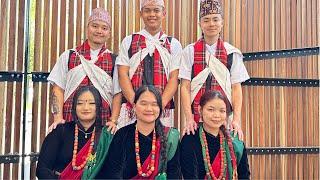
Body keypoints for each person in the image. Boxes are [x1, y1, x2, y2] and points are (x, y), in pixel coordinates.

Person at [179, 0, 250, 139]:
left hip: (223, 118)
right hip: (196, 119)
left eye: (215, 19)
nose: (211, 24)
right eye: (206, 20)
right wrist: (188, 118)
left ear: (222, 23)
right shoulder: (189, 51)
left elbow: (236, 88)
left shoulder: (231, 53)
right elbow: (185, 87)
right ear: (200, 24)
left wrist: (236, 120)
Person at [47, 7, 121, 133]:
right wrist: (58, 118)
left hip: (102, 124)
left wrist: (113, 120)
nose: (99, 31)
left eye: (104, 28)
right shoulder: (69, 56)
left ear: (109, 33)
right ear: (87, 28)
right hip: (70, 121)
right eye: (95, 26)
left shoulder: (114, 60)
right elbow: (58, 88)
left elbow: (117, 94)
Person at [116, 0, 182, 128]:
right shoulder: (129, 41)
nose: (152, 14)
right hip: (132, 109)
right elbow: (122, 74)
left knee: (161, 145)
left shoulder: (173, 44)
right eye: (147, 10)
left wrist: (159, 105)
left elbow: (174, 78)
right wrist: (136, 104)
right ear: (141, 14)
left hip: (162, 110)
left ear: (163, 13)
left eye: (156, 10)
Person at [96, 85, 181, 179]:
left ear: (160, 108)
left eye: (154, 104)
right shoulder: (122, 135)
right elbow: (112, 173)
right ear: (134, 106)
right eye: (144, 103)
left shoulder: (170, 137)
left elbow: (174, 175)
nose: (149, 109)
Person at [36, 86, 113, 179]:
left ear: (99, 107)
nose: (85, 107)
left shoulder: (106, 136)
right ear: (74, 107)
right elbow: (42, 169)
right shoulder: (60, 131)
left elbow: (114, 172)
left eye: (92, 103)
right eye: (80, 103)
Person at [180, 90, 250, 179]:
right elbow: (189, 176)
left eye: (222, 111)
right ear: (200, 110)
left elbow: (244, 175)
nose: (217, 115)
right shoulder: (190, 139)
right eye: (211, 110)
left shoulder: (235, 141)